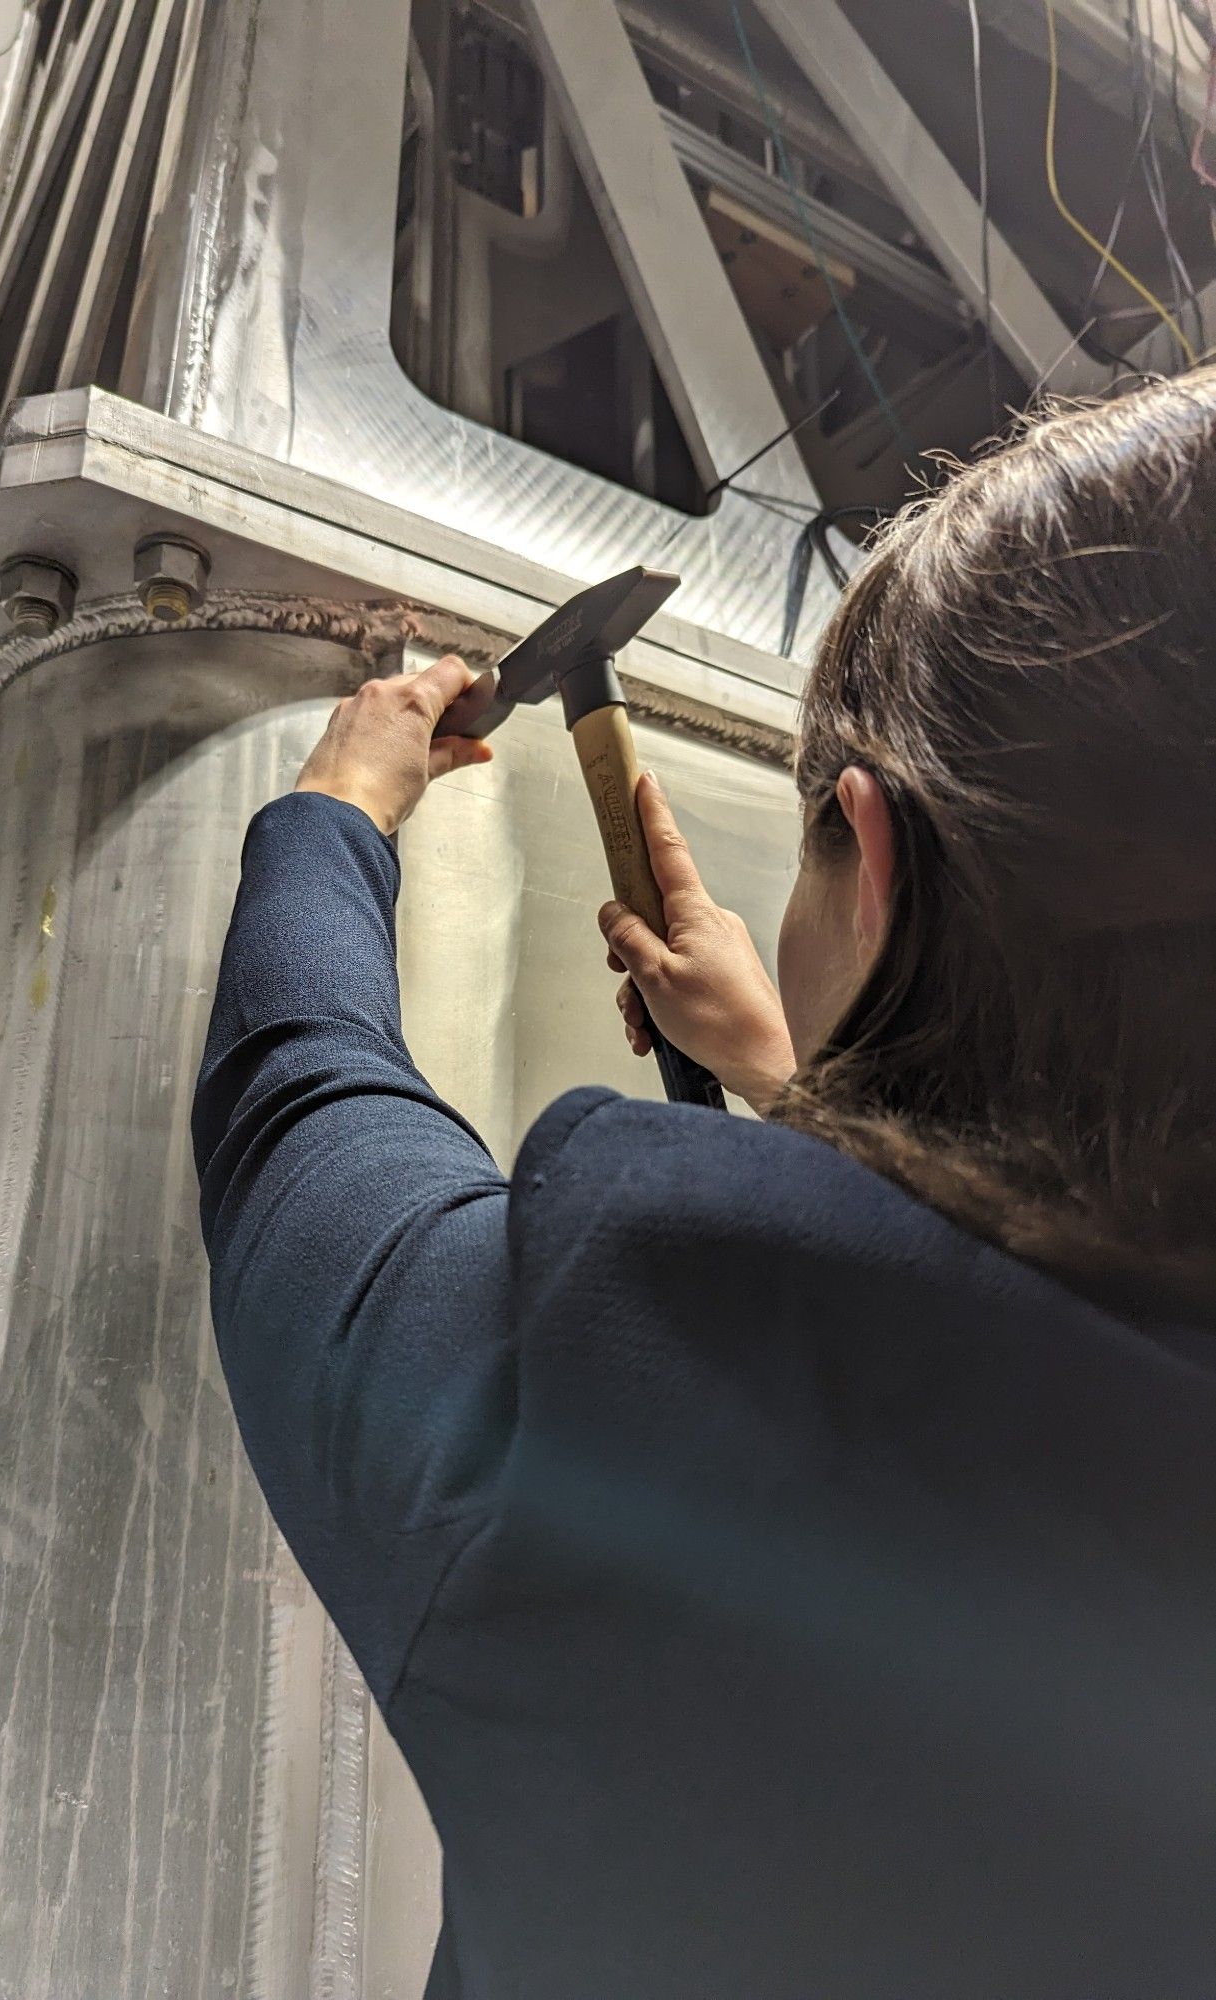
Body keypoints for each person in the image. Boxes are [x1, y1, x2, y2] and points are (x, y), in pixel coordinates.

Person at [192, 373, 1216, 1999]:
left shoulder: (680, 1403)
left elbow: (302, 1128)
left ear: (871, 857)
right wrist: (798, 1083)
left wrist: (331, 817)